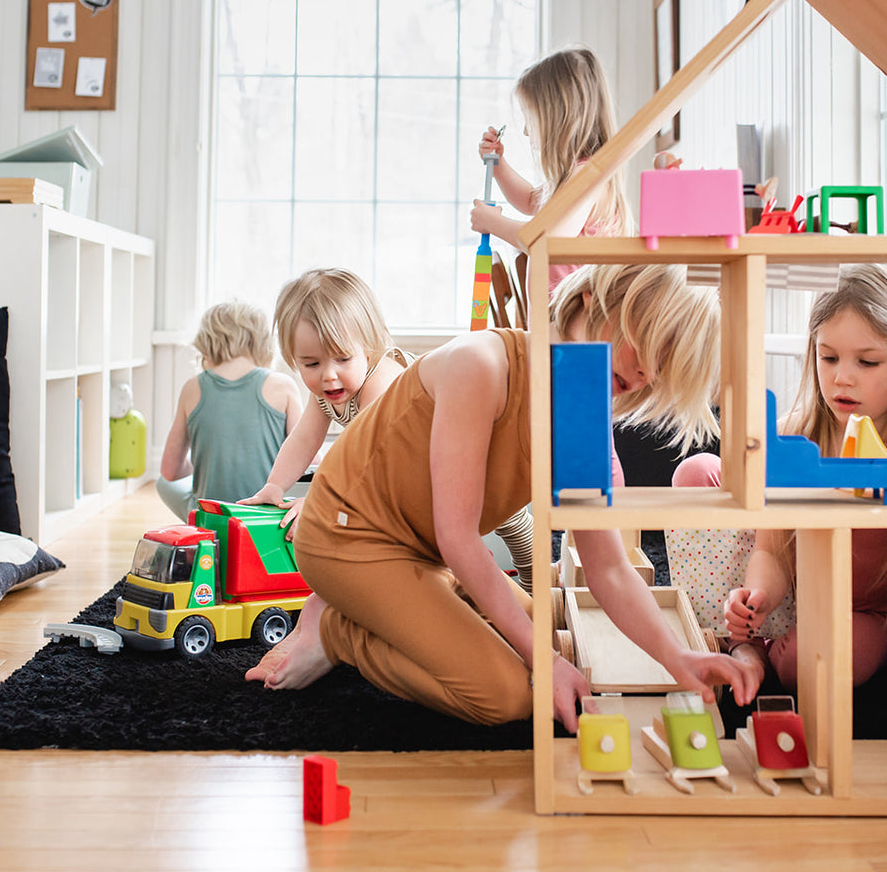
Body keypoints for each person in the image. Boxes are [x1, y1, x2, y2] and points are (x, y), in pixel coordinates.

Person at [244, 264, 763, 732]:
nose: (647, 372)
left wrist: (677, 657)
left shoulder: (586, 420)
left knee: (548, 641)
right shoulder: (481, 364)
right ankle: (341, 633)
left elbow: (608, 567)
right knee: (510, 694)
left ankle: (428, 600)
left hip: (423, 554)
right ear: (590, 303)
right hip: (348, 541)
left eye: (663, 364)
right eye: (645, 343)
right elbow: (457, 537)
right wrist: (545, 665)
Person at [673, 264, 887, 701]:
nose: (841, 377)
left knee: (806, 666)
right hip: (792, 592)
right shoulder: (794, 437)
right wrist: (756, 598)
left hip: (866, 612)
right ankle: (744, 644)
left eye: (867, 362)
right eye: (828, 358)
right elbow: (771, 549)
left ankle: (769, 650)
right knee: (697, 474)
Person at [238, 268, 537, 586]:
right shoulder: (326, 391)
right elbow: (303, 439)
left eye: (342, 358)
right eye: (311, 364)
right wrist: (275, 485)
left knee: (508, 520)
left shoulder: (380, 385)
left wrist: (319, 501)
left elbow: (360, 459)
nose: (328, 375)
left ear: (367, 348)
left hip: (465, 448)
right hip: (416, 469)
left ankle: (539, 579)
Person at [469, 46, 633, 295]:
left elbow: (543, 242)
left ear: (557, 119)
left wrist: (493, 222)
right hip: (559, 316)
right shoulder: (575, 177)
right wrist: (499, 165)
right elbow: (530, 200)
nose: (526, 131)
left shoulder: (586, 179)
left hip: (579, 317)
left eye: (530, 118)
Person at [157, 300, 305, 521]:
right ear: (263, 342)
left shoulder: (192, 388)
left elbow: (169, 470)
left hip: (210, 518)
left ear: (207, 342)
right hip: (266, 517)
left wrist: (207, 466)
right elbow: (310, 459)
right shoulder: (283, 386)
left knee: (163, 483)